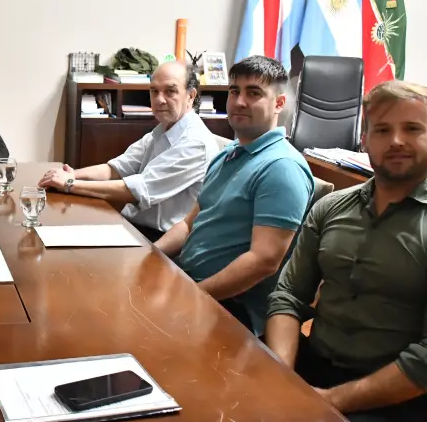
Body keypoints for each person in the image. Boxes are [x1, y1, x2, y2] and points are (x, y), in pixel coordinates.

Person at [266, 80, 427, 422]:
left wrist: (327, 401)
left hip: (397, 397)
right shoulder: (331, 207)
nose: (396, 140)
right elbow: (288, 296)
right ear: (364, 139)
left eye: (412, 129)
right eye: (382, 130)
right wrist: (282, 378)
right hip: (311, 367)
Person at [154, 55, 314, 336]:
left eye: (253, 93)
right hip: (189, 283)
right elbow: (188, 224)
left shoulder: (282, 167)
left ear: (279, 103)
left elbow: (263, 261)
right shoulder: (229, 153)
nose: (239, 101)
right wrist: (150, 255)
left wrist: (192, 295)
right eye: (234, 91)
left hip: (231, 310)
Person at [38, 62, 220, 242]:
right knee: (54, 230)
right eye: (154, 91)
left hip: (159, 239)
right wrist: (72, 174)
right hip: (132, 226)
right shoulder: (162, 130)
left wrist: (69, 184)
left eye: (170, 91)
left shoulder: (195, 143)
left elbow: (137, 190)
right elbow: (116, 168)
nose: (159, 99)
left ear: (190, 96)